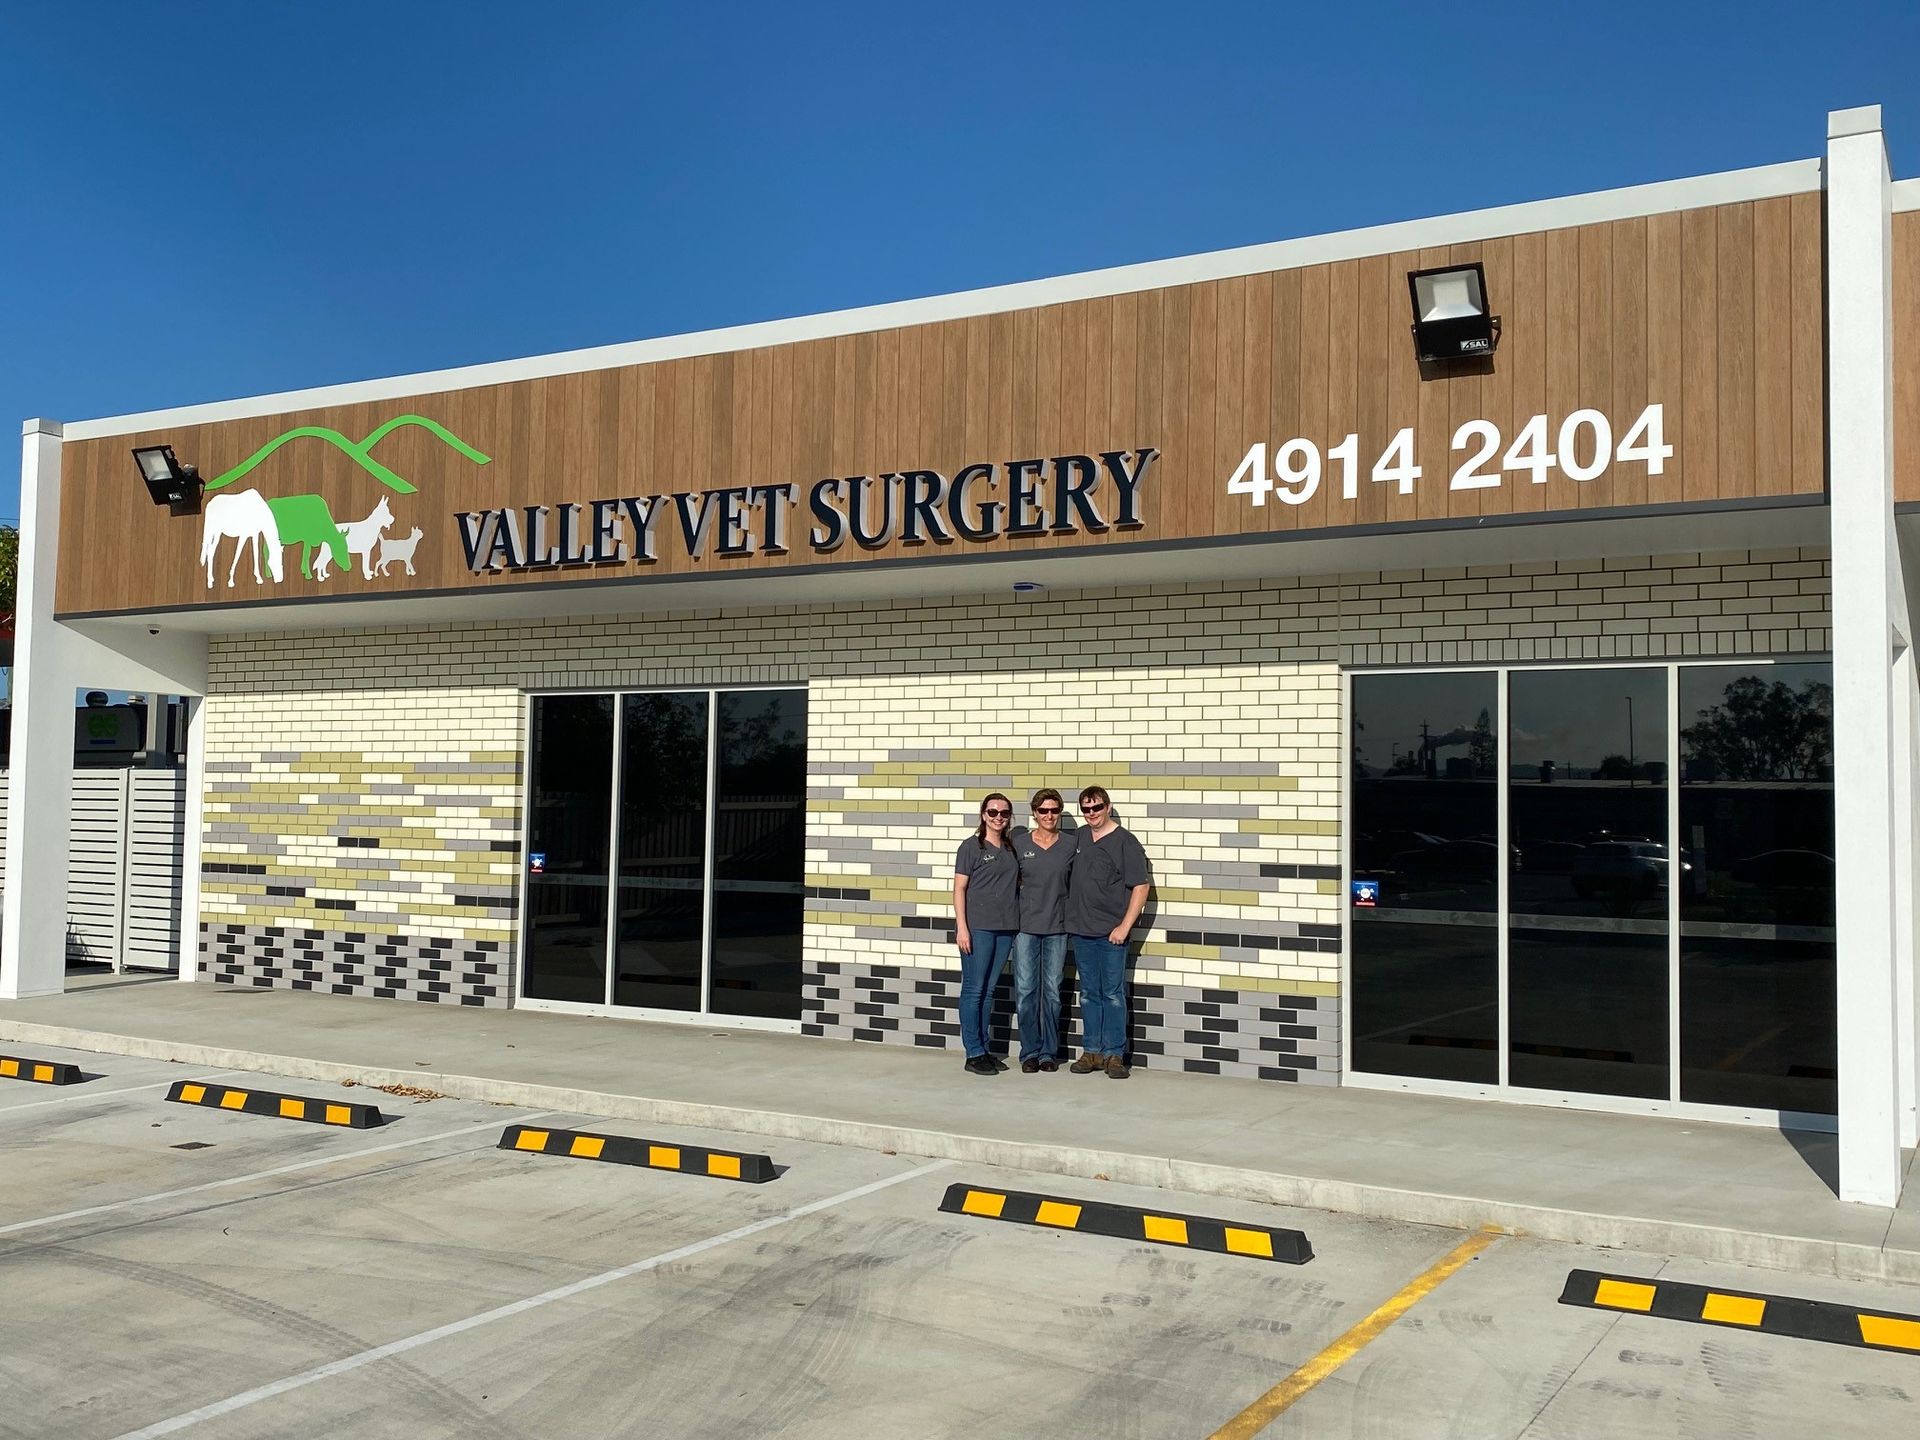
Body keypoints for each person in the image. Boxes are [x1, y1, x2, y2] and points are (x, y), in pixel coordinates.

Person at [1064, 785, 1151, 1079]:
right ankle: (1092, 1051)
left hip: (1111, 934)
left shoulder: (1125, 842)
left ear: (1108, 807)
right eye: (1086, 810)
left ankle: (1115, 1055)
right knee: (1089, 994)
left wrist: (1125, 926)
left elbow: (1141, 886)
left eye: (1097, 808)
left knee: (1112, 994)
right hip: (1082, 931)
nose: (1092, 814)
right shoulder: (1079, 838)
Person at [953, 792, 1020, 1077]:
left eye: (1004, 814)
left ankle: (984, 1047)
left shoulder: (1009, 847)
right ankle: (973, 1052)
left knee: (989, 990)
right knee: (974, 989)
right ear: (983, 815)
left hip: (1005, 927)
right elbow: (959, 889)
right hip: (978, 928)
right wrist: (962, 927)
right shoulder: (971, 847)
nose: (998, 818)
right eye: (993, 812)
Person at [1010, 788, 1075, 1073]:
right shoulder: (1018, 843)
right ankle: (1029, 1052)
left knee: (1052, 992)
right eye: (1043, 810)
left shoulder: (1071, 845)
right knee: (1025, 991)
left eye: (1054, 810)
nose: (1049, 816)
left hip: (1058, 929)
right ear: (1034, 813)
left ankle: (1049, 1052)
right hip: (1025, 927)